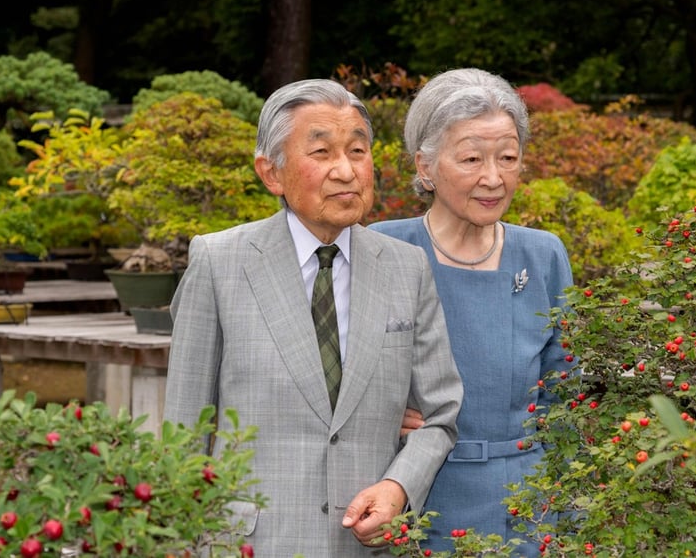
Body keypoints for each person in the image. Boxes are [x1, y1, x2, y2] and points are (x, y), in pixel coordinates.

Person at [163, 78, 463, 558]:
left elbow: (441, 416)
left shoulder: (405, 267)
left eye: (358, 151)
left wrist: (397, 488)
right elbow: (184, 428)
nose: (345, 171)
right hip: (248, 542)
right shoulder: (219, 262)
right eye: (321, 153)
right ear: (271, 173)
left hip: (367, 542)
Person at [370, 68, 572, 555]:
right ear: (426, 166)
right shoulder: (385, 250)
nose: (493, 178)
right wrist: (378, 410)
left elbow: (568, 390)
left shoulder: (542, 255)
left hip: (530, 499)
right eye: (472, 159)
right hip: (419, 494)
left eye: (508, 158)